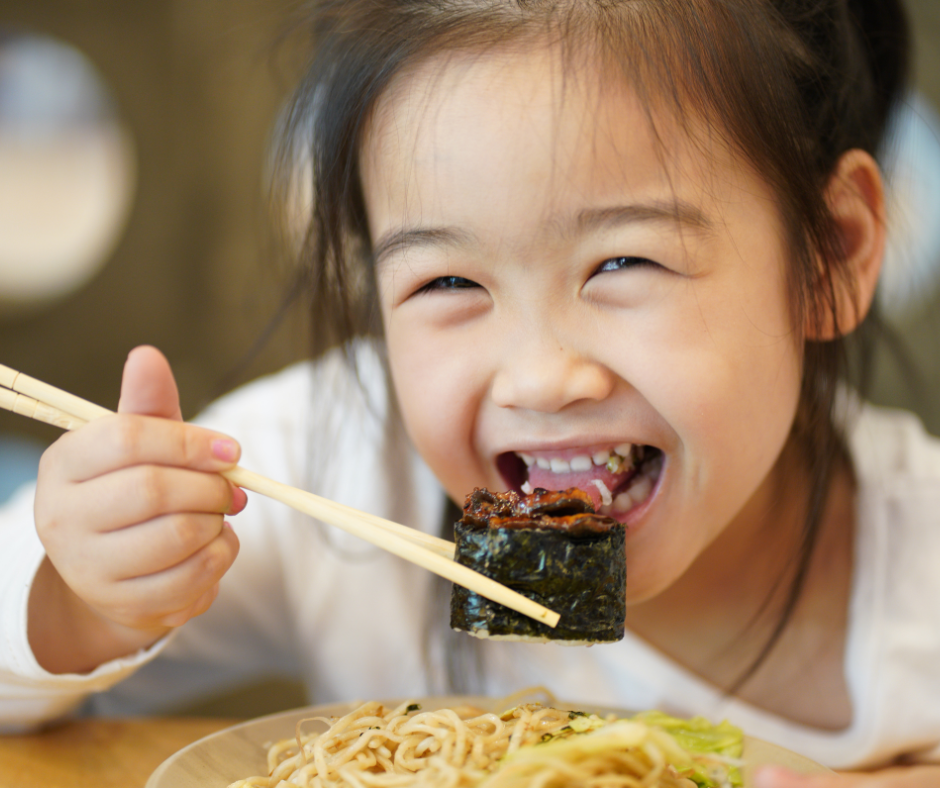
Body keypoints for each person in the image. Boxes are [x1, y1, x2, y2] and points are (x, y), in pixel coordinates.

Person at [1, 0, 938, 784]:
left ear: (832, 253)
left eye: (624, 260)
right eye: (448, 283)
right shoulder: (329, 469)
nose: (538, 374)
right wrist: (83, 600)